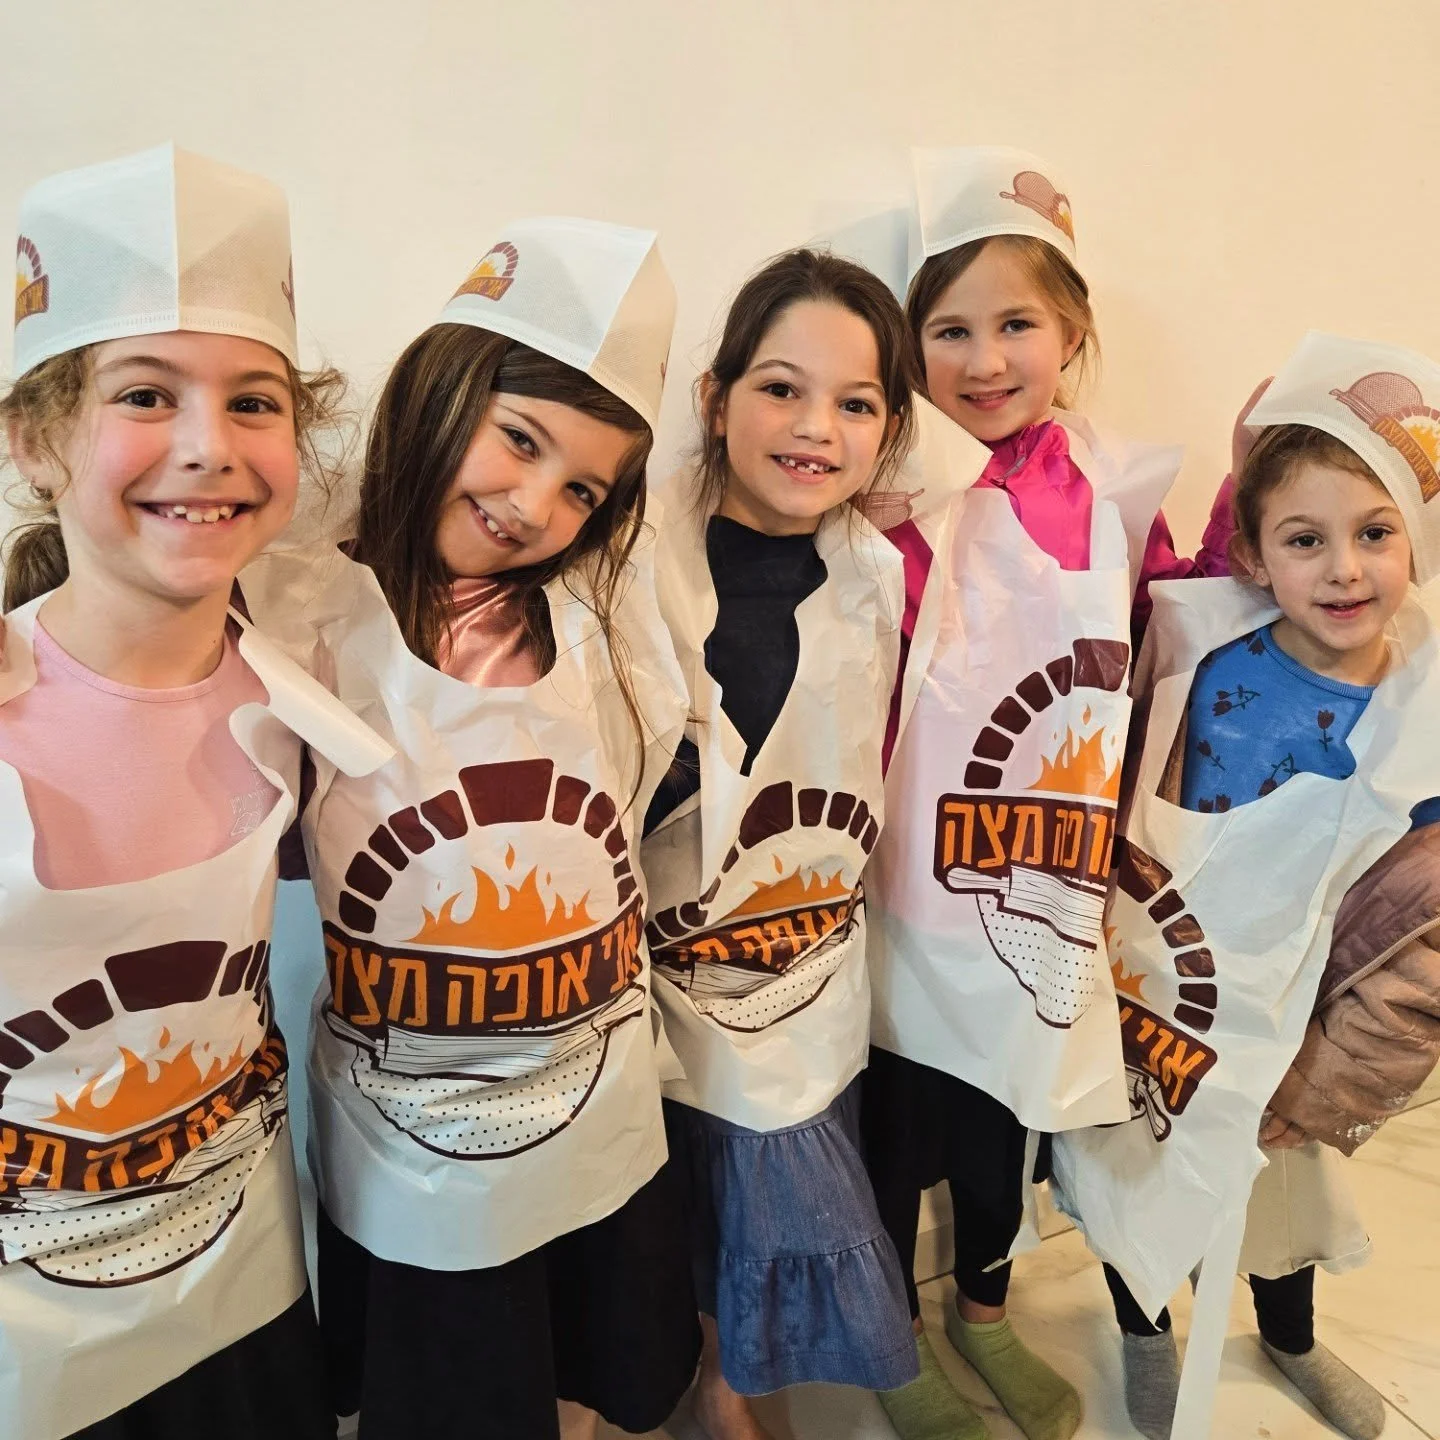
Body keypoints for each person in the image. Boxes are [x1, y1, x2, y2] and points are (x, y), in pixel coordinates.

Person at [238, 217, 701, 1440]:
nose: (533, 504)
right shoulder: (300, 610)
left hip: (590, 1096)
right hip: (420, 1135)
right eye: (519, 440)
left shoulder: (598, 630)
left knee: (586, 1356)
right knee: (456, 1384)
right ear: (443, 391)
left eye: (583, 489)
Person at [0, 143, 389, 1440]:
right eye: (147, 396)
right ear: (38, 439)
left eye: (256, 402)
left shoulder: (296, 699)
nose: (209, 448)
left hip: (237, 1273)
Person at [862, 145, 1232, 1440]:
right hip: (919, 880)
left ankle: (983, 1313)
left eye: (1015, 323)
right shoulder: (901, 487)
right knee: (899, 1132)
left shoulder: (1116, 484)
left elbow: (1173, 623)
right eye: (948, 329)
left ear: (1071, 334)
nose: (983, 359)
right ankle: (896, 1339)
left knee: (1001, 1133)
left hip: (1049, 888)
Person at [1050, 331, 1440, 1440]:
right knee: (1133, 1175)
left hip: (1296, 1021)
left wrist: (1316, 1085)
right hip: (1157, 988)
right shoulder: (1196, 653)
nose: (1346, 570)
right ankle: (1140, 1325)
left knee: (1281, 1199)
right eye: (1305, 539)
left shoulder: (1424, 717)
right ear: (1256, 555)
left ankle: (1291, 1335)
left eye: (1376, 535)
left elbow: (1418, 940)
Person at [642, 248, 926, 1440]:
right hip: (644, 971)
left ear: (890, 429)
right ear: (715, 397)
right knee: (664, 1212)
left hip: (794, 973)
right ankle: (686, 1379)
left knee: (770, 1189)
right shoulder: (631, 556)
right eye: (779, 387)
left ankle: (739, 1389)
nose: (815, 428)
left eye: (855, 403)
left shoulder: (883, 573)